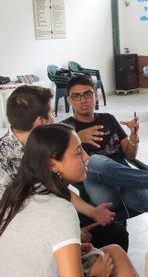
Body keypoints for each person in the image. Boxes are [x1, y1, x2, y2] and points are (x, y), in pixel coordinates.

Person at [63, 75, 148, 254]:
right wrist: (79, 137)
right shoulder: (66, 130)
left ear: (96, 95)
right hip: (100, 192)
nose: (83, 100)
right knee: (95, 161)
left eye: (87, 94)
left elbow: (129, 154)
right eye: (76, 96)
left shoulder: (108, 119)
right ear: (69, 100)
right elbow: (62, 166)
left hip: (127, 185)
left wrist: (133, 135)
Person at [0, 124, 140, 277]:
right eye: (78, 152)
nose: (86, 157)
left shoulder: (16, 194)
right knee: (110, 271)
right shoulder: (60, 210)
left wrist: (69, 250)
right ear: (53, 164)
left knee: (113, 255)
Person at [0, 85, 128, 250]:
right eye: (52, 113)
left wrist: (92, 212)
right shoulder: (6, 164)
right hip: (26, 237)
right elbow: (16, 222)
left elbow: (55, 188)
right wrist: (69, 231)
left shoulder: (40, 144)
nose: (54, 118)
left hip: (53, 213)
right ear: (39, 122)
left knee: (115, 234)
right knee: (110, 241)